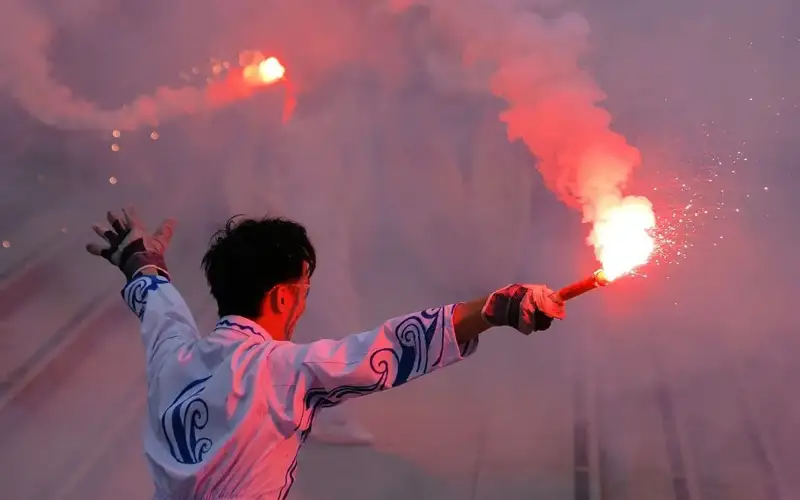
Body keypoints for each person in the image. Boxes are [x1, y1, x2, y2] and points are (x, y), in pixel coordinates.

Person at [86, 206, 567, 500]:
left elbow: (160, 307)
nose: (304, 300)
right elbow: (391, 345)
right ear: (280, 297)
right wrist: (498, 308)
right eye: (304, 288)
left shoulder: (175, 357)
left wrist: (138, 259)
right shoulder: (283, 373)